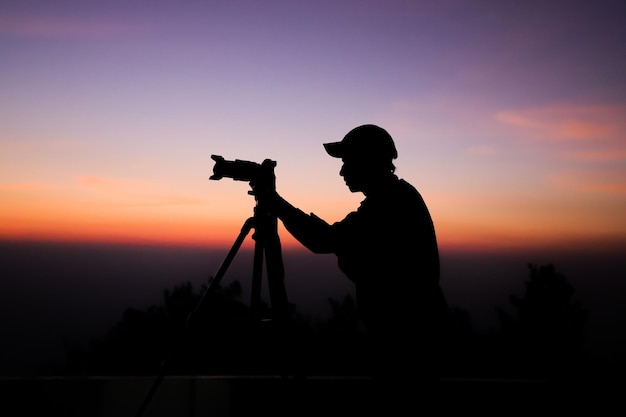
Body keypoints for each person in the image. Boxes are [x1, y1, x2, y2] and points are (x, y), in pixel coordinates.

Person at [257, 124, 448, 410]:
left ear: (369, 161)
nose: (342, 172)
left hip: (407, 348)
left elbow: (324, 239)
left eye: (347, 162)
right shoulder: (393, 199)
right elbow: (339, 243)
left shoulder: (389, 205)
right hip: (411, 341)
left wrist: (275, 204)